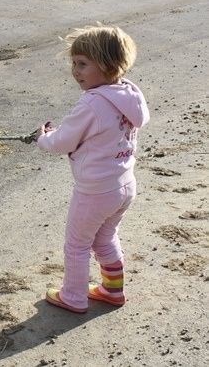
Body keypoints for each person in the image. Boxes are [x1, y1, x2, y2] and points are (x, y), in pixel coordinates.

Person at [35, 24, 150, 313]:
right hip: (123, 186)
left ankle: (73, 296)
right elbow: (96, 132)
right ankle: (112, 290)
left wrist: (43, 137)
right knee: (105, 237)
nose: (75, 71)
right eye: (74, 63)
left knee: (76, 245)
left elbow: (61, 142)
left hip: (95, 192)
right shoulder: (128, 94)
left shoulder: (92, 103)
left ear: (108, 64)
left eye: (83, 64)